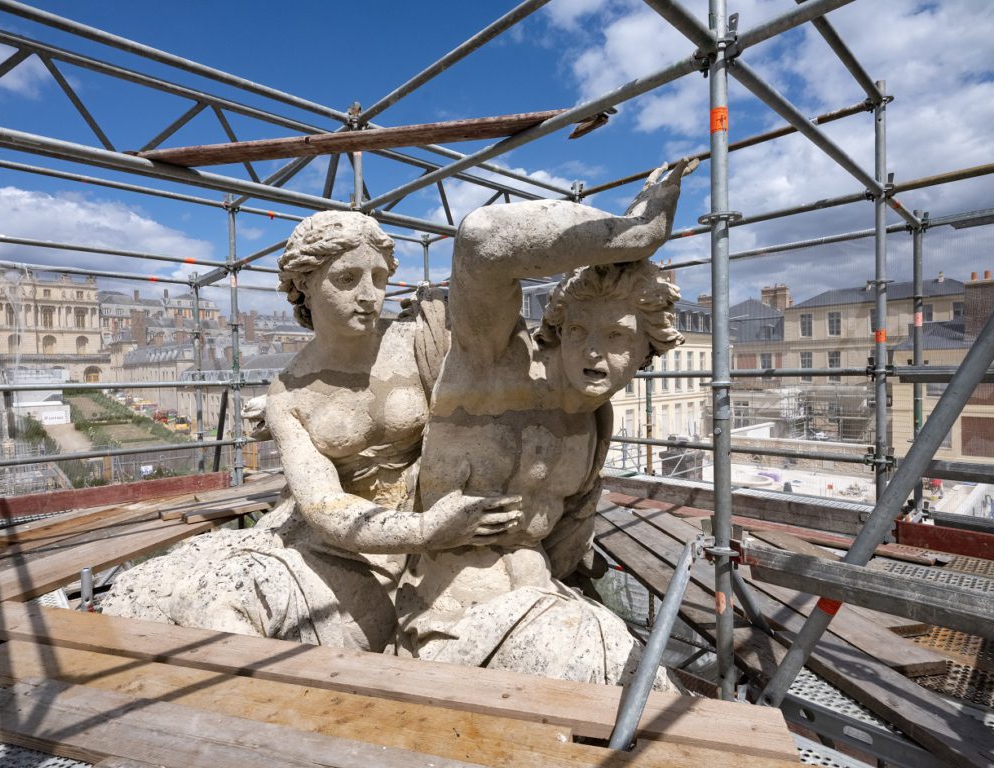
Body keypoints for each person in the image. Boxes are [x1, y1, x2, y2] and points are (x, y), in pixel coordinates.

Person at [102, 211, 520, 652]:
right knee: (213, 606)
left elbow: (490, 401)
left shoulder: (416, 340)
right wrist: (424, 530)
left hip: (425, 535)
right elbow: (325, 506)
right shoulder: (288, 392)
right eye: (347, 279)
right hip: (335, 546)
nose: (369, 296)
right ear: (304, 284)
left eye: (379, 278)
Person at [396, 159, 696, 685]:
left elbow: (563, 544)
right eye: (579, 329)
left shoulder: (593, 428)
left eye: (619, 336)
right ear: (558, 327)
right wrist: (635, 236)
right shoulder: (495, 365)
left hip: (544, 600)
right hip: (444, 609)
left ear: (650, 348)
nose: (594, 352)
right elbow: (482, 239)